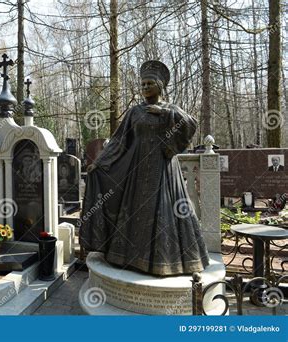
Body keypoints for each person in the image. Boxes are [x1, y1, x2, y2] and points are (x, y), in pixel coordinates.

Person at [80, 60, 209, 276]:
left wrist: (166, 114)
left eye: (150, 83)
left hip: (165, 170)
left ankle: (169, 261)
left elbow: (190, 123)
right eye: (143, 84)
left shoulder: (170, 109)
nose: (145, 88)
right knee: (136, 214)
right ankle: (131, 258)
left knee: (166, 213)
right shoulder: (134, 112)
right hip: (137, 171)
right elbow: (120, 141)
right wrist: (100, 163)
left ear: (160, 85)